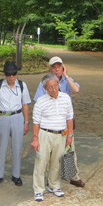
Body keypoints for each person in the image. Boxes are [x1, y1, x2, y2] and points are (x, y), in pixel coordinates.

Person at [34, 56, 85, 188]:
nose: (57, 69)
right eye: (54, 67)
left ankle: (71, 175)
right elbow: (39, 102)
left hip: (65, 123)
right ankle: (49, 179)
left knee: (69, 149)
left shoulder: (67, 80)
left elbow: (76, 89)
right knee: (49, 154)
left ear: (63, 67)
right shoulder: (45, 82)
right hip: (50, 123)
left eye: (59, 67)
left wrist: (66, 76)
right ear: (50, 69)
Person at [31, 73, 74, 202]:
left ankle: (54, 185)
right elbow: (36, 121)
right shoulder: (41, 101)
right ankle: (38, 189)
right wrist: (35, 139)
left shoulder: (65, 98)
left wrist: (70, 135)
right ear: (45, 88)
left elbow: (69, 117)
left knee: (57, 161)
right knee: (41, 161)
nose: (54, 89)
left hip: (61, 134)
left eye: (55, 85)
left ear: (58, 84)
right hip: (45, 134)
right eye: (50, 87)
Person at [0, 61, 31, 186]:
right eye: (8, 74)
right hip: (2, 116)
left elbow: (25, 104)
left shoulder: (22, 85)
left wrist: (26, 122)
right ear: (5, 75)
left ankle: (16, 174)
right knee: (1, 147)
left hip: (17, 116)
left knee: (17, 147)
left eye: (13, 74)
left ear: (17, 74)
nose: (11, 76)